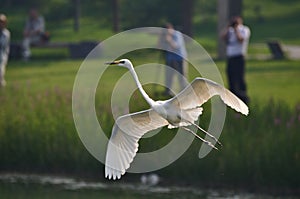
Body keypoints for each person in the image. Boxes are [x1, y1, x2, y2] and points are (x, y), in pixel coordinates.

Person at [221, 16, 251, 104]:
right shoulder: (230, 31)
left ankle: (243, 97)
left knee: (239, 77)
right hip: (230, 58)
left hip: (239, 57)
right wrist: (228, 27)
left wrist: (236, 29)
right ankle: (232, 97)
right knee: (230, 77)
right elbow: (223, 37)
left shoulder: (244, 29)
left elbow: (241, 39)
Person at [159, 23, 187, 97]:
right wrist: (161, 39)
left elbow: (176, 46)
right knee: (169, 76)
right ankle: (168, 91)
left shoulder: (177, 35)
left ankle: (184, 91)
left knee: (181, 76)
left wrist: (169, 40)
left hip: (179, 58)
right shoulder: (164, 36)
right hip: (170, 58)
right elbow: (159, 47)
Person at [0, 14, 10, 87]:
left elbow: (3, 44)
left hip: (2, 55)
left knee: (1, 73)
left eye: (2, 22)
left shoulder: (6, 33)